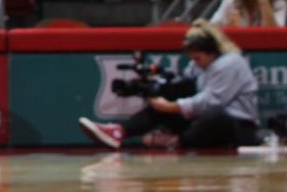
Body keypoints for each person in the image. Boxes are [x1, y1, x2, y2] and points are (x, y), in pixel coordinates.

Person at [79, 21, 260, 150]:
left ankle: (174, 141)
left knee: (216, 115)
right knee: (166, 106)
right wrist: (157, 90)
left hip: (238, 127)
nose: (195, 63)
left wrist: (173, 107)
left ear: (211, 52)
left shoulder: (230, 63)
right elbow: (183, 84)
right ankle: (119, 131)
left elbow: (212, 101)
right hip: (202, 123)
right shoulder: (199, 64)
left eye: (198, 58)